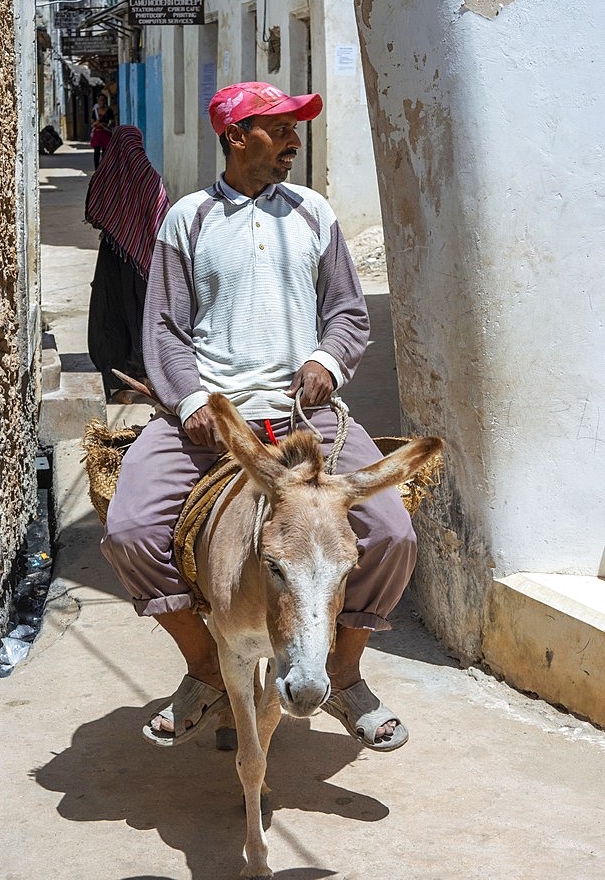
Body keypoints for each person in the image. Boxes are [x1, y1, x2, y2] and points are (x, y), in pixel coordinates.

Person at [101, 82, 417, 752]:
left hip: (307, 421)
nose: (293, 144)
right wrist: (189, 402)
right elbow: (162, 328)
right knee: (129, 530)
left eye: (294, 131)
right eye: (280, 130)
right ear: (236, 135)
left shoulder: (313, 213)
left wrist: (327, 362)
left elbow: (348, 314)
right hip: (211, 421)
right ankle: (206, 669)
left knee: (390, 534)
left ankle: (343, 670)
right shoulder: (186, 219)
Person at [85, 125, 170, 402]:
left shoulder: (107, 172)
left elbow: (94, 208)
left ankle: (120, 378)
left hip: (113, 256)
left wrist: (118, 223)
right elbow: (161, 218)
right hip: (143, 260)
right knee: (140, 316)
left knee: (113, 313)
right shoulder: (149, 177)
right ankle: (143, 375)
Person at [90, 92, 116, 169]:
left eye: (103, 100)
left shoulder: (109, 111)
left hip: (106, 133)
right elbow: (92, 123)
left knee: (105, 152)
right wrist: (97, 123)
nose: (102, 102)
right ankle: (97, 169)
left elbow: (113, 122)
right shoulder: (95, 112)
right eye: (100, 100)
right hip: (97, 133)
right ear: (97, 101)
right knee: (96, 152)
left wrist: (107, 125)